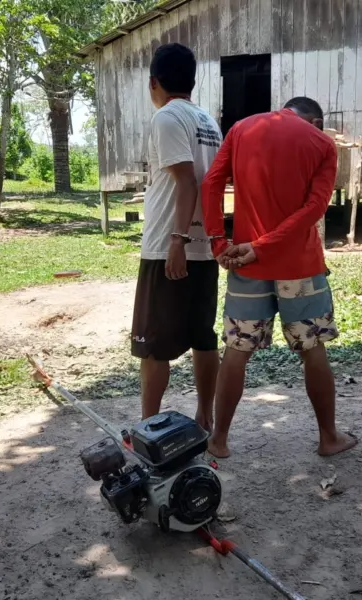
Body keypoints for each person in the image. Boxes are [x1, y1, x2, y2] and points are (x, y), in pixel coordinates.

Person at [200, 97, 358, 458]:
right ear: (316, 121)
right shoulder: (321, 143)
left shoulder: (242, 128)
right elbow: (314, 209)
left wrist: (218, 242)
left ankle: (219, 440)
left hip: (245, 263)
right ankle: (328, 437)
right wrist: (266, 246)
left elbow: (211, 183)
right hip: (299, 267)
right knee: (313, 350)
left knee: (236, 352)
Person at [131, 43, 223, 431]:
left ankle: (147, 427)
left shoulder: (167, 118)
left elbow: (186, 181)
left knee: (152, 345)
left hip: (170, 247)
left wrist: (176, 241)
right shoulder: (207, 121)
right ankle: (205, 418)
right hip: (203, 249)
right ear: (193, 80)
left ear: (154, 83)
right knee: (203, 337)